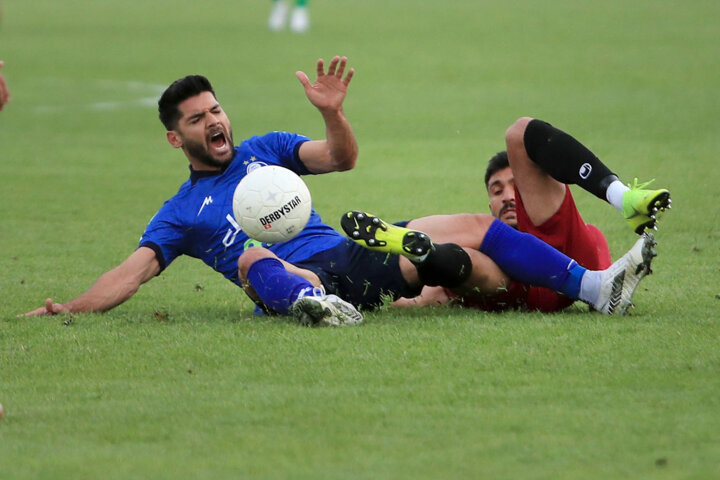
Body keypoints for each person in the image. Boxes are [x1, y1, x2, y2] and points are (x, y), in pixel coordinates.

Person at [20, 58, 656, 325]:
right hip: (289, 277)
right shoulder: (180, 215)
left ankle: (596, 289)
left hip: (349, 254)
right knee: (248, 257)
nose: (214, 122)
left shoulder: (263, 150)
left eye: (215, 111)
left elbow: (340, 158)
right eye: (196, 119)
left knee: (471, 226)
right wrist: (68, 310)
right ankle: (316, 305)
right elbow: (129, 275)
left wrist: (331, 112)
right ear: (174, 138)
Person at [392, 117, 671, 312]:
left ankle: (621, 195)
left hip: (561, 253)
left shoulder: (572, 231)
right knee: (453, 256)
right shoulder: (483, 239)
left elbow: (602, 257)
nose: (507, 197)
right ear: (489, 202)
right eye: (496, 190)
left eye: (516, 186)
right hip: (504, 281)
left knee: (519, 133)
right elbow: (424, 296)